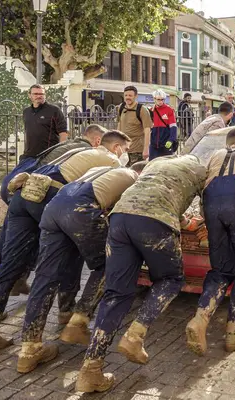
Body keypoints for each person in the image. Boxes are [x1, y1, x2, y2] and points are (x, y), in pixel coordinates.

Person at [0, 131, 131, 350]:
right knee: (66, 258)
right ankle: (67, 313)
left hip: (24, 194)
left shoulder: (80, 152)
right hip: (49, 196)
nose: (126, 155)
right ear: (117, 147)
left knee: (10, 263)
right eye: (126, 150)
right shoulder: (112, 161)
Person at [74, 155, 206, 393]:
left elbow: (154, 194)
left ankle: (90, 369)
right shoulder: (200, 170)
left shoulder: (156, 165)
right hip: (156, 221)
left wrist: (182, 220)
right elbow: (206, 210)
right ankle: (135, 336)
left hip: (121, 218)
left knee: (116, 293)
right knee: (171, 279)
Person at [16, 162, 147, 374]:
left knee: (45, 277)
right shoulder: (134, 177)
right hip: (81, 209)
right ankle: (78, 322)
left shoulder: (104, 171)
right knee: (109, 264)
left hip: (54, 208)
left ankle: (28, 350)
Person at [185, 128, 235, 356]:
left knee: (221, 269)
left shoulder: (214, 155)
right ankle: (234, 333)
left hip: (212, 208)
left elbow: (203, 189)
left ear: (228, 143)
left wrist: (208, 219)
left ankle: (200, 319)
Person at [22, 84, 69, 162]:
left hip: (48, 156)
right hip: (29, 156)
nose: (39, 96)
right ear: (30, 95)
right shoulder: (26, 112)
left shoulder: (54, 110)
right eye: (36, 94)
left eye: (41, 94)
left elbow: (63, 133)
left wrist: (59, 153)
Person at [118, 86, 153, 164]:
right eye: (126, 95)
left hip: (137, 150)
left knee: (136, 174)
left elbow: (147, 130)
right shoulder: (121, 108)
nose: (127, 97)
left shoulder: (142, 110)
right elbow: (119, 125)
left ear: (136, 96)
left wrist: (146, 149)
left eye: (130, 95)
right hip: (124, 150)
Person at [149, 89, 178, 159]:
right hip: (154, 145)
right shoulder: (150, 111)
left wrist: (171, 140)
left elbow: (173, 127)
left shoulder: (169, 110)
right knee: (152, 164)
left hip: (166, 143)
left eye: (162, 99)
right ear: (154, 99)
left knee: (167, 164)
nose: (160, 101)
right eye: (158, 99)